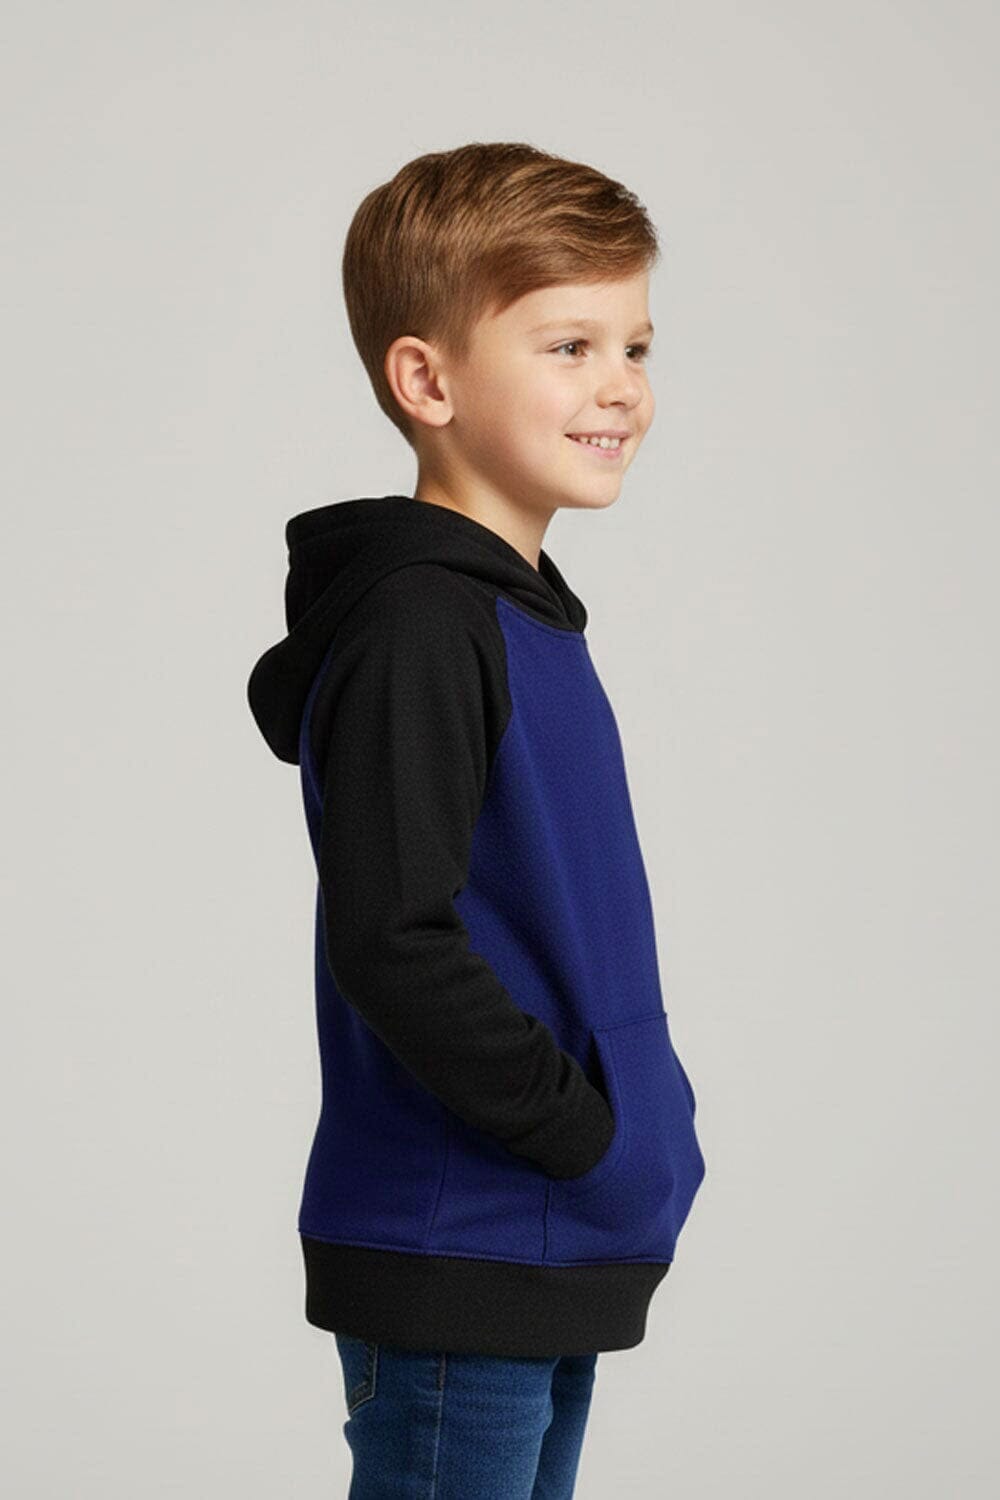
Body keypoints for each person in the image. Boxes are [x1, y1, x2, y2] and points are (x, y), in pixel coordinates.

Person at [247, 140, 706, 1500]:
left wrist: (638, 1133)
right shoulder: (421, 626)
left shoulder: (520, 618)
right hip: (468, 1231)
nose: (620, 385)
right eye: (569, 345)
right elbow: (395, 938)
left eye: (634, 346)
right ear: (427, 381)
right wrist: (585, 1135)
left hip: (547, 1231)